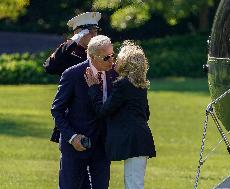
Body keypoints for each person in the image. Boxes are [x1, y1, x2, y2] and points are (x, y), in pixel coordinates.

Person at [84, 41, 156, 189]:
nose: (114, 60)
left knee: (133, 184)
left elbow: (102, 111)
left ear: (125, 63)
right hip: (140, 139)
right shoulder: (139, 85)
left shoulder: (123, 85)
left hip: (133, 141)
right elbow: (145, 114)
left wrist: (93, 89)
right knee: (134, 183)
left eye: (118, 58)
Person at [51, 35, 116, 189]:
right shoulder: (72, 74)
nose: (112, 61)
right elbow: (57, 110)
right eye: (107, 57)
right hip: (76, 146)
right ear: (93, 57)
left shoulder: (115, 73)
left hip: (102, 147)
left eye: (113, 55)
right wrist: (72, 137)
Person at [44, 12, 102, 143]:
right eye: (89, 32)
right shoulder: (69, 55)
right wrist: (75, 39)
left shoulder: (101, 55)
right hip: (73, 120)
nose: (94, 35)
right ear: (78, 33)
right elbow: (50, 66)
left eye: (95, 31)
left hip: (97, 117)